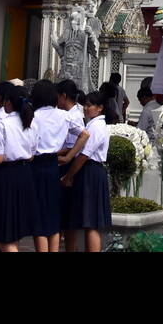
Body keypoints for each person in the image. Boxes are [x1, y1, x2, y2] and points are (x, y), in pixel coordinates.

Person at [0, 82, 38, 252]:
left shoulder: (2, 123)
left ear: (8, 102)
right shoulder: (31, 122)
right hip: (24, 174)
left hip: (6, 176)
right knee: (13, 230)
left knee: (2, 231)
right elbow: (32, 155)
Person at [59, 89, 110, 253]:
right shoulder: (93, 124)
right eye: (85, 105)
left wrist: (69, 175)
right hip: (89, 171)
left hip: (90, 171)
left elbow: (84, 155)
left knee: (91, 222)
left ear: (100, 107)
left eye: (90, 105)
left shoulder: (97, 127)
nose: (86, 108)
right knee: (82, 219)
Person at [29, 79, 66, 252]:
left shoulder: (33, 117)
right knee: (52, 213)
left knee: (38, 217)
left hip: (37, 165)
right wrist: (69, 155)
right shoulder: (63, 116)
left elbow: (30, 145)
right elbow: (83, 134)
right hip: (54, 165)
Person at [55, 79, 85, 248]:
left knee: (66, 214)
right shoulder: (72, 113)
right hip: (66, 163)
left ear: (63, 96)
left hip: (68, 165)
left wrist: (55, 153)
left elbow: (73, 145)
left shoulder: (72, 116)